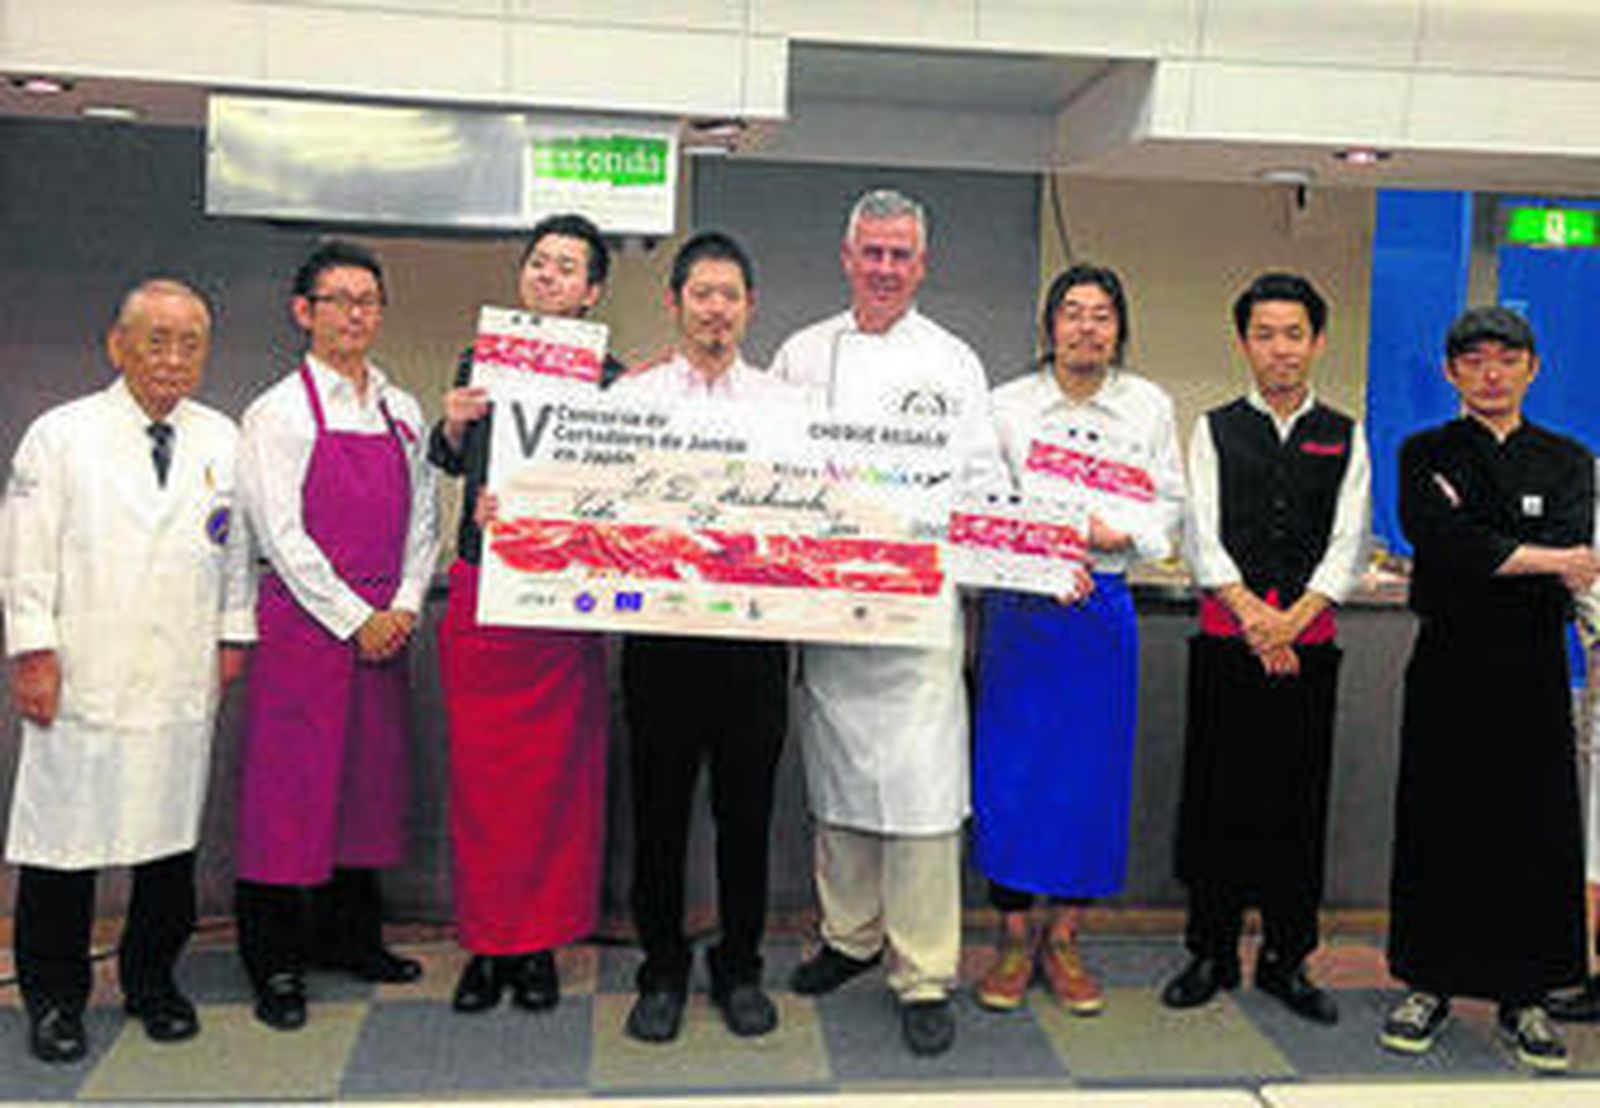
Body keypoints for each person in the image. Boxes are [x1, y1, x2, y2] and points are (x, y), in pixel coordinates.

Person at [771, 188, 1004, 1057]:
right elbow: (767, 461)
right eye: (871, 252)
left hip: (916, 609)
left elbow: (982, 484)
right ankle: (850, 936)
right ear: (846, 256)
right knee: (838, 783)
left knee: (923, 795)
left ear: (922, 264)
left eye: (900, 254)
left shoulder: (953, 361)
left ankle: (924, 970)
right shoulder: (800, 354)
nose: (884, 268)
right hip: (829, 607)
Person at [2, 279, 254, 1062]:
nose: (174, 358)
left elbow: (236, 553)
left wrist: (233, 636)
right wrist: (33, 651)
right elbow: (24, 557)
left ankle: (152, 983)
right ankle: (54, 999)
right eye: (157, 340)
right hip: (84, 671)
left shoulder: (221, 437)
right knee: (63, 845)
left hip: (180, 671)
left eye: (191, 344)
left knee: (167, 843)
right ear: (118, 345)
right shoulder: (60, 434)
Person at [1379, 306, 1596, 1072]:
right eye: (1473, 360)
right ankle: (1427, 984)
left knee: (1533, 830)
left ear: (1532, 368)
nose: (1491, 373)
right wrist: (1545, 559)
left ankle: (1526, 996)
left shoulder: (1569, 459)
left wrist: (1500, 547)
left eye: (1506, 359)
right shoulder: (1423, 451)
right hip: (1450, 661)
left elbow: (1572, 544)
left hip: (1535, 667)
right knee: (1438, 820)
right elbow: (1441, 542)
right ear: (1451, 372)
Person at [235, 241, 439, 1031]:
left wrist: (407, 603)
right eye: (339, 300)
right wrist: (357, 618)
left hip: (387, 630)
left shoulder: (402, 408)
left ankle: (352, 938)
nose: (356, 314)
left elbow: (424, 517)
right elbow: (280, 535)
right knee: (290, 793)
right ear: (304, 312)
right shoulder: (277, 412)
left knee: (365, 787)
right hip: (307, 631)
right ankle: (275, 960)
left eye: (368, 301)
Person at [972, 264, 1184, 1015]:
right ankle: (1012, 936)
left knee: (1088, 778)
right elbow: (982, 497)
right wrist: (1046, 551)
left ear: (1119, 328)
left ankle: (1064, 936)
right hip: (1022, 609)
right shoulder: (1006, 405)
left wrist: (1118, 533)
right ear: (1050, 326)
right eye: (1072, 312)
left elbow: (1169, 505)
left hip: (1102, 609)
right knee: (1010, 775)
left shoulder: (1147, 406)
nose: (1086, 326)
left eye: (1101, 314)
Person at [1163, 272, 1368, 1026]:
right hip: (1229, 645)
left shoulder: (1345, 432)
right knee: (1216, 802)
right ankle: (1210, 951)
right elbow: (1201, 533)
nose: (1280, 348)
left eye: (1293, 334)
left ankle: (1287, 958)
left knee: (1296, 808)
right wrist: (1255, 618)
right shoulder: (1214, 428)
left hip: (1306, 651)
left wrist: (1292, 622)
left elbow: (1348, 541)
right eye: (1264, 334)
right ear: (1243, 342)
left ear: (1317, 341)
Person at [429, 214, 620, 1015]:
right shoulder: (479, 361)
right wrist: (452, 420)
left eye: (566, 267)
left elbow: (622, 493)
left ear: (592, 291)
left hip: (560, 602)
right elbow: (447, 460)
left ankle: (540, 943)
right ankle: (487, 943)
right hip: (484, 590)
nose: (547, 276)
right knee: (483, 784)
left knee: (556, 785)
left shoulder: (613, 382)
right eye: (538, 262)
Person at [608, 231, 797, 1043]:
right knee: (658, 819)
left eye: (730, 295)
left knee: (746, 818)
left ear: (749, 308)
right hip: (661, 641)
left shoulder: (787, 407)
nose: (716, 309)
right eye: (702, 294)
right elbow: (592, 501)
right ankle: (662, 970)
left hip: (755, 646)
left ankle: (740, 966)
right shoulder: (632, 400)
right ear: (675, 303)